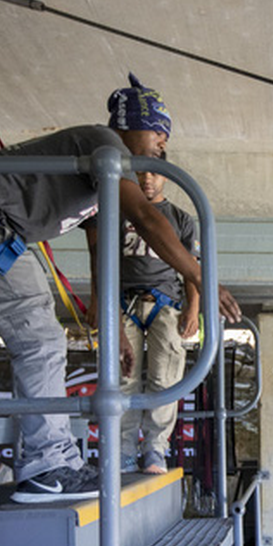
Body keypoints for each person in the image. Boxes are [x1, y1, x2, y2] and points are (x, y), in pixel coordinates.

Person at [0, 74, 241, 504]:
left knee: (42, 338)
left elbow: (105, 252)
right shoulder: (105, 145)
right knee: (41, 339)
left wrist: (113, 330)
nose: (163, 147)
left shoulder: (105, 170)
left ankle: (54, 461)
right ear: (132, 128)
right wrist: (202, 277)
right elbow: (145, 218)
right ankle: (47, 467)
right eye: (158, 134)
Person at [87, 165, 199, 475]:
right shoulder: (117, 211)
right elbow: (97, 257)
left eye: (153, 174)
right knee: (124, 380)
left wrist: (194, 308)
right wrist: (97, 301)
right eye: (140, 175)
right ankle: (123, 450)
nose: (147, 180)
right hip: (122, 301)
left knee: (165, 380)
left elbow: (192, 267)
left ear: (165, 176)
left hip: (165, 301)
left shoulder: (180, 218)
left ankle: (155, 448)